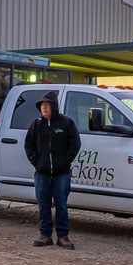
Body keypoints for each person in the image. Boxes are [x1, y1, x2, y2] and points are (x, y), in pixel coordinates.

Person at [24, 91, 82, 249]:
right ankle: (45, 236)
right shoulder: (36, 124)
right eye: (42, 106)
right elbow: (28, 145)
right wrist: (37, 163)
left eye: (47, 105)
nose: (44, 108)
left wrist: (65, 161)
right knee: (43, 205)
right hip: (42, 174)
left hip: (61, 174)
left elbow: (75, 144)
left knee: (61, 205)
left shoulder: (66, 123)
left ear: (54, 107)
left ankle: (63, 237)